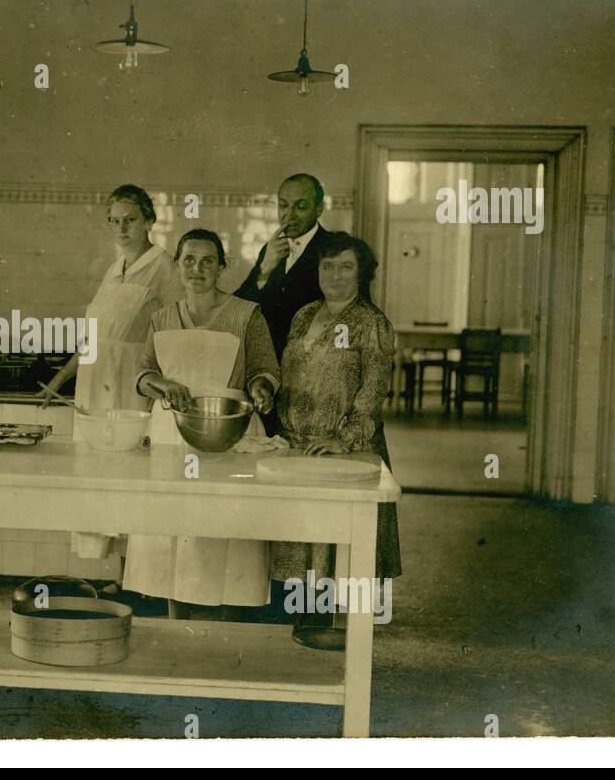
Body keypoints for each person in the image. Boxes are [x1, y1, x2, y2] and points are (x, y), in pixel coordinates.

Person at [122, 229, 280, 619]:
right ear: (177, 266)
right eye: (189, 260)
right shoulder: (161, 318)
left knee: (224, 530)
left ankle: (230, 623)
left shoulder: (246, 314)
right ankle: (177, 620)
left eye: (208, 261)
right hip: (171, 435)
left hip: (229, 433)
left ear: (222, 267)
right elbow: (142, 373)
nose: (198, 269)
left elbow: (265, 369)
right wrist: (163, 384)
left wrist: (262, 388)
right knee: (173, 531)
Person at [269, 231, 401, 645]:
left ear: (362, 273)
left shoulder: (372, 323)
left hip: (343, 452)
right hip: (296, 448)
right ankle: (300, 635)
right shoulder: (305, 315)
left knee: (331, 553)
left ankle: (327, 644)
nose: (335, 275)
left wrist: (343, 439)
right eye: (328, 266)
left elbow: (373, 392)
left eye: (346, 266)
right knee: (299, 550)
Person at [42, 184, 182, 569]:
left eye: (130, 220)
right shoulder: (114, 268)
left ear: (149, 221)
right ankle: (122, 578)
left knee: (129, 475)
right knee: (98, 475)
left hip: (129, 387)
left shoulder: (163, 267)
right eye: (114, 221)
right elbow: (94, 339)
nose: (122, 228)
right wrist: (60, 380)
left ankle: (138, 579)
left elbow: (174, 335)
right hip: (94, 384)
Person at [234, 173, 337, 360]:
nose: (288, 215)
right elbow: (240, 307)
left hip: (313, 370)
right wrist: (264, 269)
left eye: (301, 206)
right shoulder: (271, 249)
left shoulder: (335, 249)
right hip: (269, 369)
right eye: (283, 205)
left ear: (319, 209)